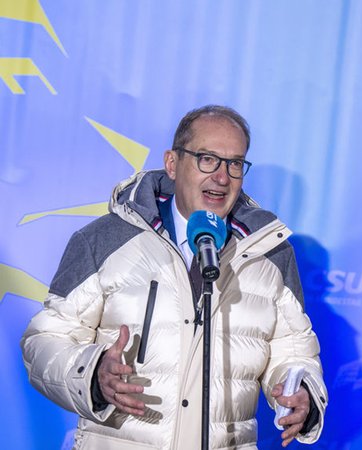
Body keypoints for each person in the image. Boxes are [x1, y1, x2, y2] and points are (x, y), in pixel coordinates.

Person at [21, 105, 327, 449]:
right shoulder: (104, 240)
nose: (222, 177)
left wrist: (301, 392)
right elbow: (43, 340)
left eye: (235, 164)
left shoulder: (270, 253)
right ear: (172, 163)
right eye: (207, 159)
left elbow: (294, 351)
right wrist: (92, 376)